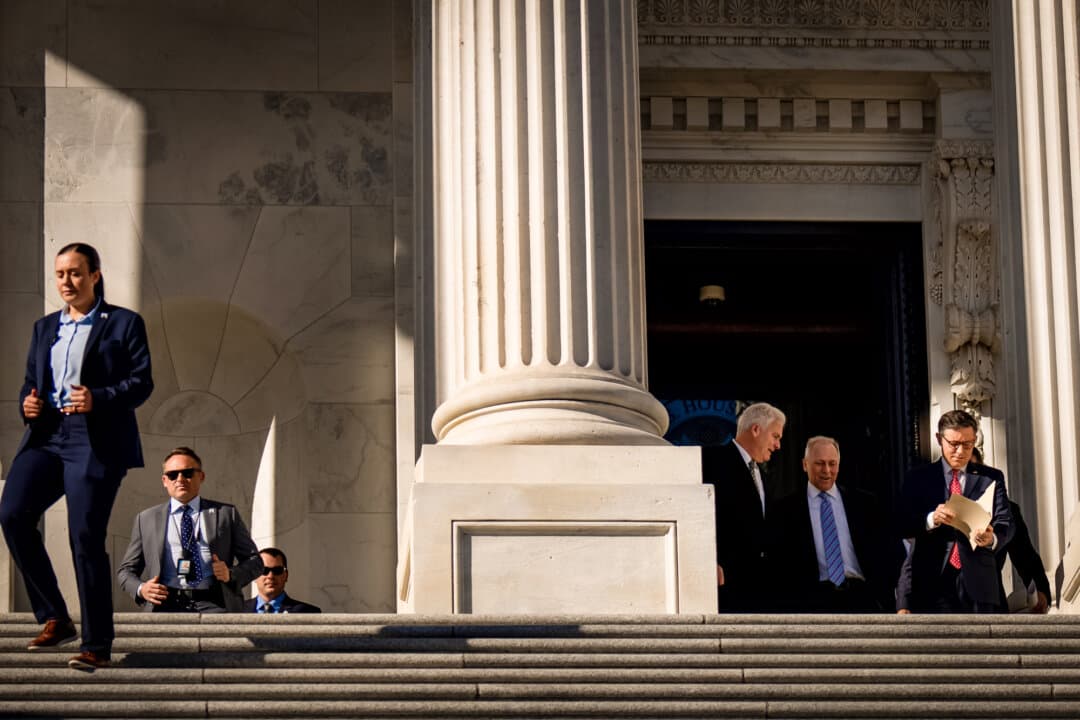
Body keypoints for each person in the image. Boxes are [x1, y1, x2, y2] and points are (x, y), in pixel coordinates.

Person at [0, 243, 153, 672]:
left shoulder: (123, 323)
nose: (67, 282)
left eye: (76, 274)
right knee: (12, 514)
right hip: (47, 436)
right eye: (61, 274)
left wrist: (99, 398)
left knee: (84, 536)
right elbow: (33, 382)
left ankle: (97, 645)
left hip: (96, 439)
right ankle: (54, 616)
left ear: (95, 275)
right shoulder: (45, 327)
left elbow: (142, 382)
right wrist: (26, 406)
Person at [117, 447, 263, 613]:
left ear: (201, 476)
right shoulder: (147, 519)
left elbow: (255, 561)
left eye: (187, 473)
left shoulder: (225, 514)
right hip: (166, 602)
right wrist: (141, 589)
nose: (180, 479)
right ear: (164, 481)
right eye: (173, 475)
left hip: (214, 602)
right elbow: (126, 571)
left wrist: (230, 574)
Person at [897, 410, 1013, 612]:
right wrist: (931, 519)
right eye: (954, 444)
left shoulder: (991, 477)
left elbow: (1006, 523)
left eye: (967, 445)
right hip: (932, 580)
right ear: (939, 439)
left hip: (979, 585)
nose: (960, 452)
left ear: (975, 440)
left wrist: (992, 538)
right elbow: (902, 524)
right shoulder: (918, 478)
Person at [769, 436, 903, 612]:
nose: (827, 470)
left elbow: (891, 551)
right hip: (812, 602)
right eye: (819, 463)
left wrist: (881, 592)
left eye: (832, 464)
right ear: (805, 465)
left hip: (863, 597)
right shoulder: (785, 510)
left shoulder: (866, 504)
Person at [702, 401, 785, 611]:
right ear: (756, 429)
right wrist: (706, 560)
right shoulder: (711, 459)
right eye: (775, 436)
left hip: (759, 590)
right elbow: (697, 515)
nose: (778, 445)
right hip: (723, 586)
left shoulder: (763, 477)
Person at [244, 547, 322, 613]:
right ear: (254, 576)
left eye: (277, 570)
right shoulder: (237, 610)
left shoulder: (308, 612)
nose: (270, 576)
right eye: (264, 570)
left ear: (286, 575)